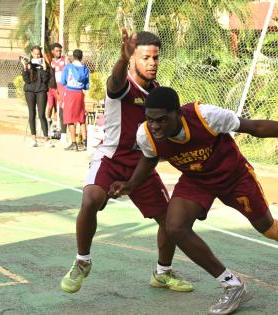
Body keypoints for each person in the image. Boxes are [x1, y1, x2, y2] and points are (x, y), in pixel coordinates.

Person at [109, 87, 278, 315]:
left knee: (267, 228)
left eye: (161, 119)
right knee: (175, 227)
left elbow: (255, 127)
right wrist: (130, 184)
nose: (155, 126)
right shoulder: (146, 134)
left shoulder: (206, 116)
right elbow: (149, 159)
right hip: (196, 180)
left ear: (178, 114)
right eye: (150, 119)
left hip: (234, 177)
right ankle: (232, 285)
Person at [60, 30, 193, 294]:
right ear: (132, 58)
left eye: (156, 57)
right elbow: (115, 80)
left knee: (169, 220)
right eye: (146, 57)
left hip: (142, 164)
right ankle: (82, 261)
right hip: (111, 158)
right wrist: (121, 60)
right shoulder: (123, 86)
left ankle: (162, 272)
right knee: (90, 200)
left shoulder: (158, 94)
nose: (152, 63)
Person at [21, 45, 53, 148]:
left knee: (42, 114)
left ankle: (46, 139)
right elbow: (26, 80)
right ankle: (34, 139)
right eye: (35, 53)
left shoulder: (44, 64)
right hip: (30, 91)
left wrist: (44, 68)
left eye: (38, 53)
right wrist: (25, 68)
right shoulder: (28, 64)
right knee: (32, 113)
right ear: (31, 53)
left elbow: (45, 80)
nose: (37, 55)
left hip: (41, 91)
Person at [61, 49, 90, 151]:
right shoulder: (85, 69)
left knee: (70, 119)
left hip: (70, 93)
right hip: (80, 94)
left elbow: (63, 81)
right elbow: (86, 86)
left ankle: (74, 144)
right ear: (81, 57)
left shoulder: (68, 67)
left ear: (73, 57)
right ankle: (86, 143)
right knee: (81, 118)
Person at [46, 43, 67, 141]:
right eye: (57, 50)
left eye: (60, 50)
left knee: (60, 107)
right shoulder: (51, 61)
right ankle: (48, 125)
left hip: (62, 86)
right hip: (52, 87)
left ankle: (58, 129)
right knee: (50, 106)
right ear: (52, 51)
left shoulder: (65, 60)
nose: (59, 52)